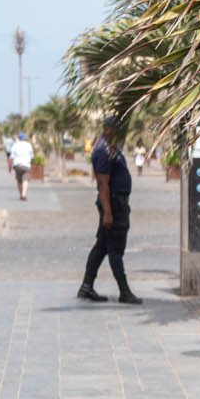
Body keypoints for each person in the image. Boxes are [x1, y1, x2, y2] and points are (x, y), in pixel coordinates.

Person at [78, 115, 142, 304]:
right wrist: (108, 212)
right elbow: (103, 183)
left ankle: (86, 287)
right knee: (115, 249)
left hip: (117, 203)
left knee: (102, 247)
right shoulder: (102, 151)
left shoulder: (110, 148)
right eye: (118, 130)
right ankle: (124, 292)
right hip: (113, 204)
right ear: (108, 129)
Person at [7, 132, 35, 202]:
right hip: (26, 165)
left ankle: (21, 194)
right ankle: (24, 194)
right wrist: (31, 165)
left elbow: (11, 158)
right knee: (25, 180)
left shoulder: (15, 145)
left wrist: (10, 168)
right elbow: (32, 157)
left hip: (17, 165)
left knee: (19, 180)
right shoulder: (29, 145)